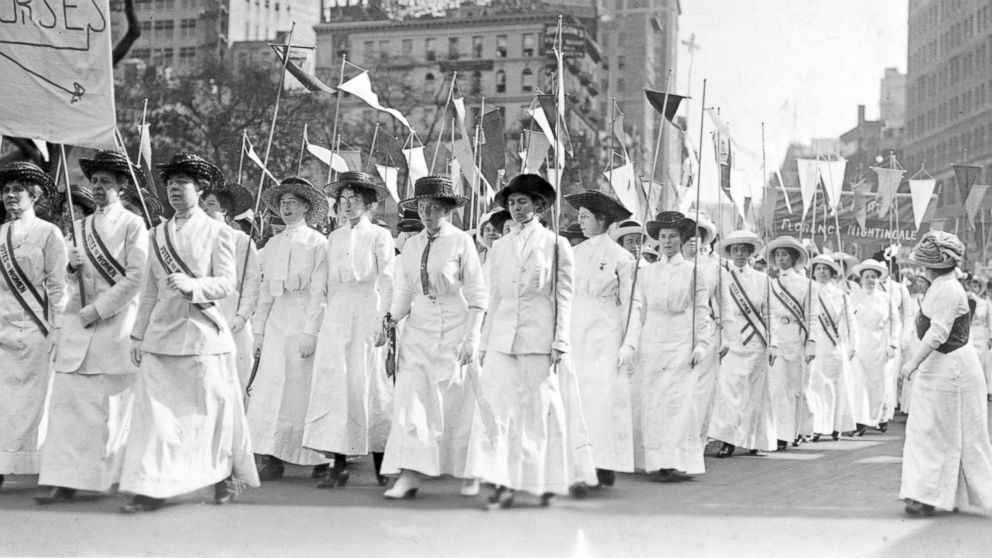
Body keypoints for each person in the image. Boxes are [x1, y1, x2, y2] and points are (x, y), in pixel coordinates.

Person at [119, 153, 258, 512]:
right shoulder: (156, 234)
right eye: (170, 183)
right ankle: (153, 486)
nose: (175, 189)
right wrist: (137, 334)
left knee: (209, 412)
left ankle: (221, 476)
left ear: (200, 189)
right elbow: (149, 290)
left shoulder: (218, 232)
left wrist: (194, 285)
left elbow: (228, 282)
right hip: (162, 335)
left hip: (202, 334)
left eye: (183, 183)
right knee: (157, 417)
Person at [35, 151, 149, 504]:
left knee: (109, 409)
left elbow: (135, 279)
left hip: (112, 326)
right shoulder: (79, 227)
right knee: (68, 407)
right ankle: (64, 478)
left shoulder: (133, 225)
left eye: (106, 183)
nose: (97, 188)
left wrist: (97, 310)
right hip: (77, 326)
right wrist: (71, 271)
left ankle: (107, 477)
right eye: (95, 182)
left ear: (122, 187)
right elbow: (67, 284)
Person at [466, 173, 573, 508]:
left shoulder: (556, 244)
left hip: (537, 338)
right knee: (497, 412)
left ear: (538, 206)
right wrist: (483, 342)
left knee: (536, 412)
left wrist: (560, 341)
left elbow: (564, 296)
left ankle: (542, 480)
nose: (515, 208)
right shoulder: (499, 247)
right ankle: (502, 481)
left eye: (522, 202)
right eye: (511, 203)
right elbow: (493, 297)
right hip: (501, 338)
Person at [379, 176, 486, 499]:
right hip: (419, 328)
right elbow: (405, 292)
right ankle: (410, 474)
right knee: (411, 400)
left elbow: (478, 294)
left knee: (457, 402)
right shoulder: (410, 245)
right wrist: (388, 320)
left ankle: (471, 473)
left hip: (455, 323)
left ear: (447, 211)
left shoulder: (461, 242)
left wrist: (472, 338)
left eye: (434, 208)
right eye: (423, 207)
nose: (427, 213)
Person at [304, 171, 395, 488]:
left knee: (369, 384)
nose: (347, 205)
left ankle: (382, 465)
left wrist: (386, 318)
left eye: (355, 199)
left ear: (368, 203)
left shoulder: (380, 236)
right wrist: (314, 326)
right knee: (336, 386)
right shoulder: (334, 238)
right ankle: (337, 464)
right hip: (338, 315)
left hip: (367, 310)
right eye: (343, 200)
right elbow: (323, 286)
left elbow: (387, 279)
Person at [900, 231, 992, 516]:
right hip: (939, 367)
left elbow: (938, 333)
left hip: (951, 367)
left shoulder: (949, 289)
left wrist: (912, 363)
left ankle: (930, 495)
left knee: (943, 431)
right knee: (929, 429)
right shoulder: (940, 286)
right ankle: (928, 493)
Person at [619, 211, 711, 482]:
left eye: (672, 236)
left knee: (677, 403)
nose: (667, 241)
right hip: (653, 339)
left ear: (683, 239)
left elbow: (700, 311)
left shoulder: (694, 272)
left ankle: (673, 461)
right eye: (662, 236)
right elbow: (639, 311)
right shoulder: (647, 273)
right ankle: (655, 460)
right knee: (653, 403)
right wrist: (631, 344)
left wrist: (701, 345)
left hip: (681, 340)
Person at [248, 177, 330, 481]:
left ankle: (317, 456)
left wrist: (311, 331)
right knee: (270, 388)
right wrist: (259, 334)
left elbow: (319, 291)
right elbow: (265, 295)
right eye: (283, 202)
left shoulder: (318, 243)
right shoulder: (272, 244)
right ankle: (271, 455)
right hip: (277, 322)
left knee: (301, 389)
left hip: (303, 319)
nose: (286, 207)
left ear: (306, 207)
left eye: (293, 202)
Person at [0, 162, 67, 491]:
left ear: (35, 195)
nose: (10, 196)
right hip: (2, 329)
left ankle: (37, 465)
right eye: (6, 191)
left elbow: (58, 287)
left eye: (18, 191)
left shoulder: (48, 233)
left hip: (37, 328)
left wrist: (58, 328)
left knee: (33, 401)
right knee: (3, 401)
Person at [564, 190, 635, 487]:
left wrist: (630, 342)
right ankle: (578, 463)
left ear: (602, 219)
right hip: (574, 327)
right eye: (579, 217)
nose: (580, 223)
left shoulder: (622, 257)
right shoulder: (572, 254)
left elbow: (633, 305)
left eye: (585, 217)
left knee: (602, 397)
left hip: (605, 330)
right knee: (576, 395)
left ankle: (604, 461)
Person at [708, 230, 776, 457]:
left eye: (743, 250)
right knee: (728, 392)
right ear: (729, 253)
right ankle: (728, 439)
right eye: (734, 250)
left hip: (756, 341)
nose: (739, 254)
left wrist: (773, 343)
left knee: (753, 393)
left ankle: (752, 438)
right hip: (730, 340)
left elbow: (770, 314)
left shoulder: (762, 279)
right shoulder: (722, 277)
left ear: (750, 253)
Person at [202, 183, 260, 392]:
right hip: (203, 308)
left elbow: (252, 282)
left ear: (225, 210)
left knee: (235, 374)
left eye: (211, 204)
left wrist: (242, 316)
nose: (205, 209)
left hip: (231, 312)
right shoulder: (196, 239)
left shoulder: (241, 240)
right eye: (203, 204)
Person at [766, 235, 818, 450]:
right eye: (777, 255)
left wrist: (812, 341)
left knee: (796, 388)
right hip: (776, 337)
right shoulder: (769, 283)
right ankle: (780, 433)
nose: (780, 259)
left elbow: (812, 314)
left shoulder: (807, 284)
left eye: (785, 254)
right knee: (777, 387)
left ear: (794, 257)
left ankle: (796, 430)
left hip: (797, 336)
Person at [806, 254, 857, 442]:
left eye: (825, 269)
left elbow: (851, 321)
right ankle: (818, 426)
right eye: (818, 269)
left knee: (837, 387)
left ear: (832, 272)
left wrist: (853, 345)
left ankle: (836, 426)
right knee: (816, 387)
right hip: (815, 344)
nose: (821, 272)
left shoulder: (841, 295)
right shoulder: (808, 291)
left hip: (835, 346)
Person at [849, 259, 900, 436]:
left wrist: (893, 344)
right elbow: (847, 322)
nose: (870, 280)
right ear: (860, 279)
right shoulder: (853, 297)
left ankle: (881, 418)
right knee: (859, 383)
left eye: (874, 277)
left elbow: (895, 322)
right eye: (867, 277)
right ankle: (860, 422)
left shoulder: (886, 298)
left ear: (879, 280)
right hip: (858, 343)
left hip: (879, 343)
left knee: (878, 382)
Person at [683, 215, 721, 443]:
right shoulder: (669, 263)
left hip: (707, 328)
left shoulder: (714, 267)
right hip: (677, 327)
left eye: (696, 237)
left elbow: (722, 302)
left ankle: (697, 436)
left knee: (703, 386)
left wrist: (726, 335)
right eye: (686, 237)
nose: (691, 241)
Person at [965, 275, 992, 397]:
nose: (973, 288)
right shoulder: (966, 300)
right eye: (971, 285)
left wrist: (990, 336)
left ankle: (984, 389)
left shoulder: (985, 303)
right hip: (969, 334)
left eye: (975, 286)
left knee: (983, 363)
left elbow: (989, 320)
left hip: (981, 335)